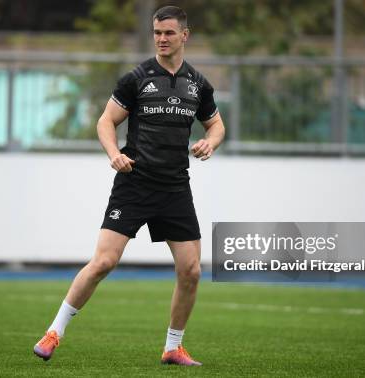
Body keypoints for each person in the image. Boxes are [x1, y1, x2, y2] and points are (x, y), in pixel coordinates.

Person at [33, 5, 225, 366]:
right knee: (104, 261)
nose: (162, 39)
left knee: (191, 270)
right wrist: (113, 153)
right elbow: (106, 122)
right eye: (157, 33)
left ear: (185, 35)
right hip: (134, 182)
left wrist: (210, 142)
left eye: (169, 33)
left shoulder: (199, 84)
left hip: (174, 187)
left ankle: (173, 347)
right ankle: (54, 331)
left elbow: (216, 125)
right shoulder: (137, 78)